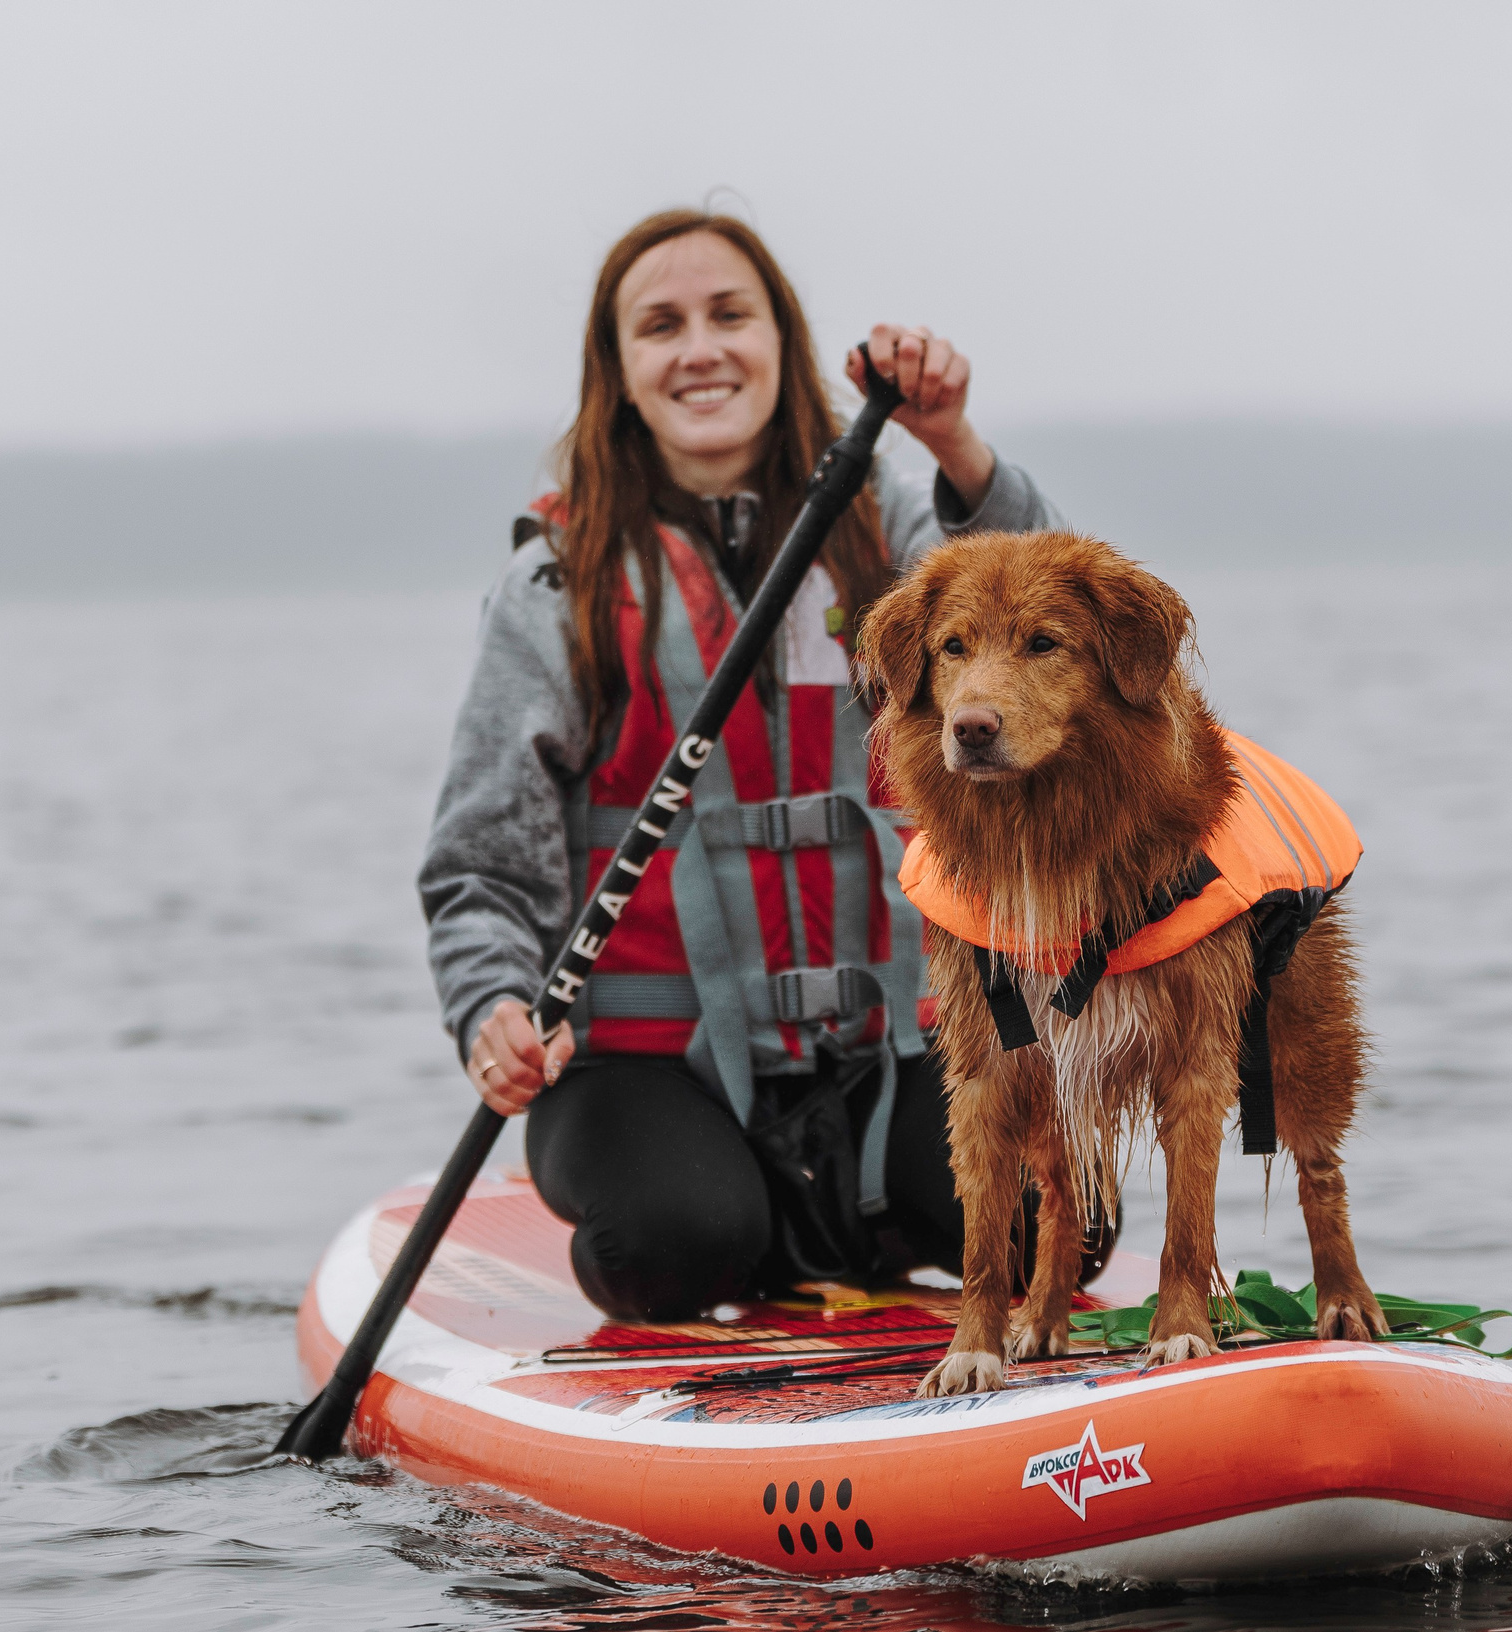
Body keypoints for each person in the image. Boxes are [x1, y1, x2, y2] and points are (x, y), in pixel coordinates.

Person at [419, 208, 1101, 1323]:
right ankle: (755, 1220)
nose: (700, 348)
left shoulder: (888, 531)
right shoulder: (557, 585)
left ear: (781, 345)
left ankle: (834, 1211)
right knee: (669, 1242)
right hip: (645, 1071)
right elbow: (480, 865)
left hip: (885, 1045)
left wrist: (951, 444)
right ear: (619, 373)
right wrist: (489, 1004)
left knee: (1060, 1221)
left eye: (730, 315)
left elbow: (1046, 606)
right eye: (660, 326)